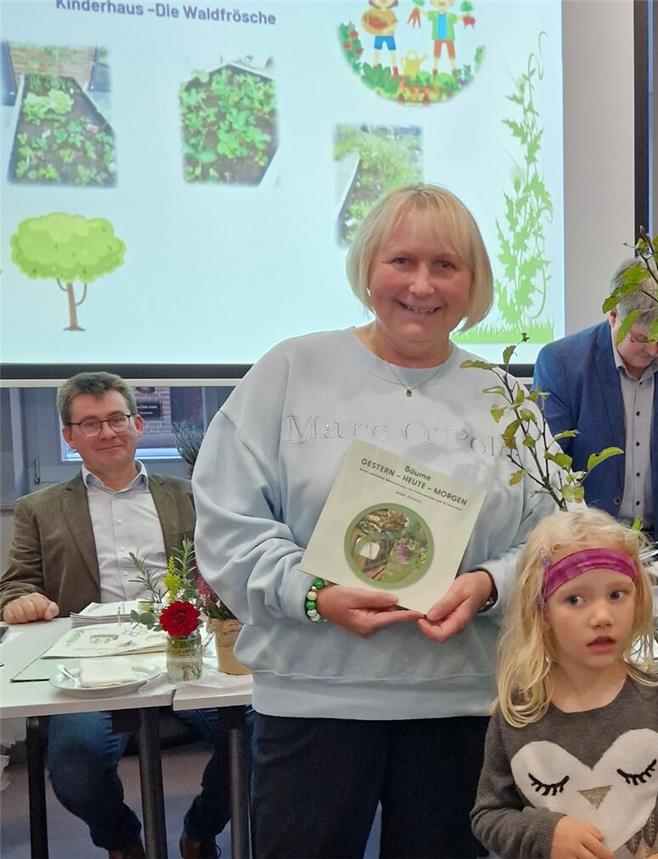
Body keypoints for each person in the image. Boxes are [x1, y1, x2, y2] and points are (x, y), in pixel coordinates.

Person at [192, 184, 554, 858]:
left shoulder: (506, 399)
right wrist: (311, 593)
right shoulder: (291, 371)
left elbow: (550, 534)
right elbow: (227, 521)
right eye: (401, 261)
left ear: (473, 282)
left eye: (446, 265)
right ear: (366, 268)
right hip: (313, 700)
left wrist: (487, 584)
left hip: (460, 704)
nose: (421, 284)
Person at [0, 371, 233, 859]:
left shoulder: (188, 496)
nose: (106, 433)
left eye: (115, 419)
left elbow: (224, 569)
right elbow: (17, 582)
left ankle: (200, 831)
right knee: (74, 763)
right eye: (89, 424)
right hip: (91, 663)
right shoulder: (37, 509)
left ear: (138, 425)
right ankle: (123, 840)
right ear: (68, 436)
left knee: (260, 731)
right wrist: (21, 600)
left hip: (188, 651)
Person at [471, 507, 658, 859]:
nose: (602, 617)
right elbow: (489, 815)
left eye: (617, 594)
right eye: (575, 599)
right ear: (541, 612)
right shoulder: (518, 714)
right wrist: (546, 835)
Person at [531, 260, 658, 548]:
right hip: (584, 542)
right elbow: (550, 466)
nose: (652, 351)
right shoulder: (562, 363)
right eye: (640, 339)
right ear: (613, 315)